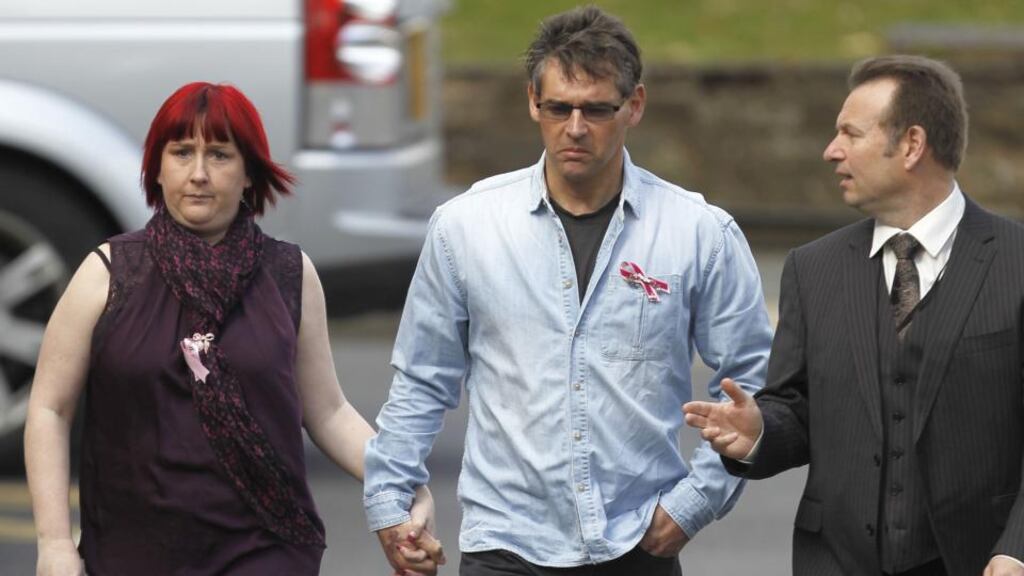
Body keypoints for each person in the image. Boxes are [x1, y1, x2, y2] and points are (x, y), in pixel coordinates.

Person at [363, 6, 772, 574]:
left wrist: (693, 505)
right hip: (503, 545)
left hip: (638, 546)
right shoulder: (466, 226)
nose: (575, 127)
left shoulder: (700, 233)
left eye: (597, 109)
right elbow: (420, 382)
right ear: (534, 102)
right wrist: (388, 502)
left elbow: (753, 386)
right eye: (559, 108)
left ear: (635, 105)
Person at [24, 82, 443, 575]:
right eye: (182, 153)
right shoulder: (108, 272)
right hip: (131, 552)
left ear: (249, 174)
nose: (199, 174)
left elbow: (328, 411)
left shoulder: (291, 274)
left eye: (220, 155)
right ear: (156, 169)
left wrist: (399, 481)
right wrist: (53, 543)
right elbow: (50, 408)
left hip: (264, 551)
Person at [683, 55, 1024, 576]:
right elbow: (795, 410)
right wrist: (757, 433)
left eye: (850, 134)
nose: (830, 151)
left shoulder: (1016, 260)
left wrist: (1016, 548)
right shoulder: (812, 269)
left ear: (911, 144)